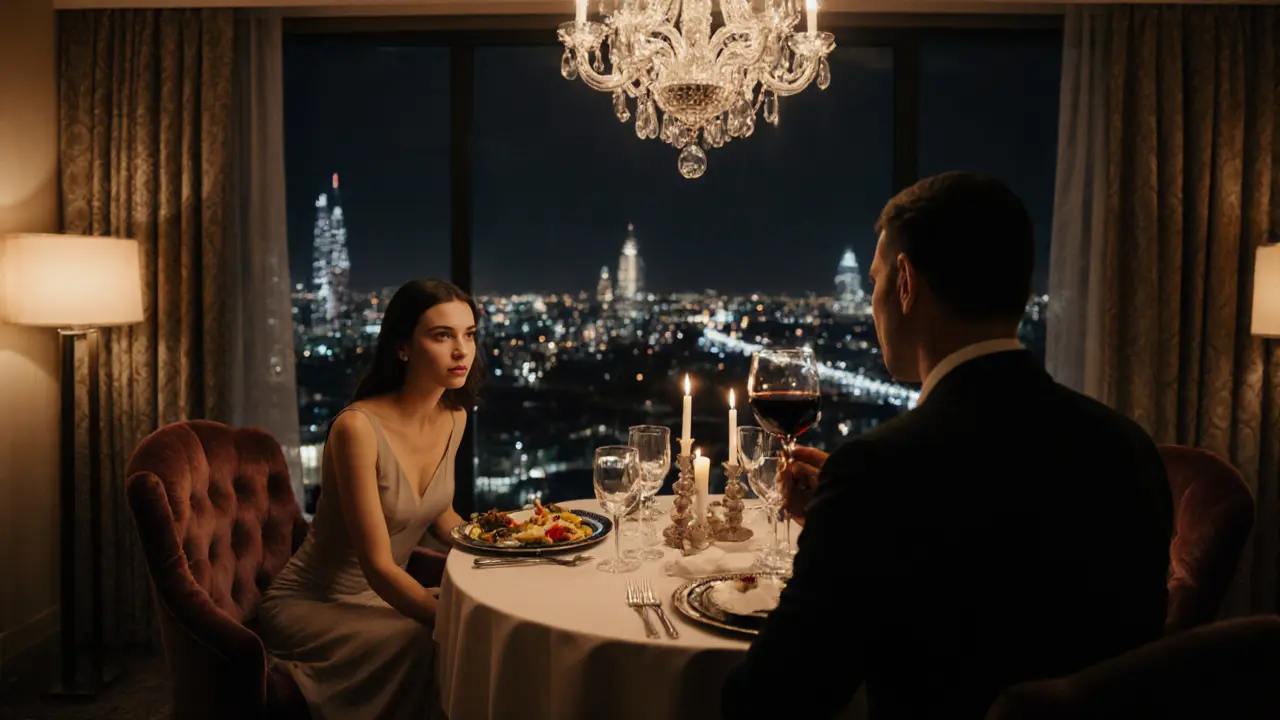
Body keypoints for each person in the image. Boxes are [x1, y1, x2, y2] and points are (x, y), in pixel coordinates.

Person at [722, 172, 1173, 719]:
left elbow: (773, 699)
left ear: (906, 283)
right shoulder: (1127, 448)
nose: (872, 303)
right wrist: (838, 520)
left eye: (875, 282)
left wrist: (849, 516)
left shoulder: (877, 474)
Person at [259, 278, 482, 720]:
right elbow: (378, 566)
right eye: (442, 335)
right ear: (403, 348)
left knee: (482, 610)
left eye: (469, 334)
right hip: (315, 603)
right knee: (437, 638)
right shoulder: (357, 429)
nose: (461, 350)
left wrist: (506, 548)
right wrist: (450, 620)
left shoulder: (454, 418)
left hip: (387, 595)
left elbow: (440, 514)